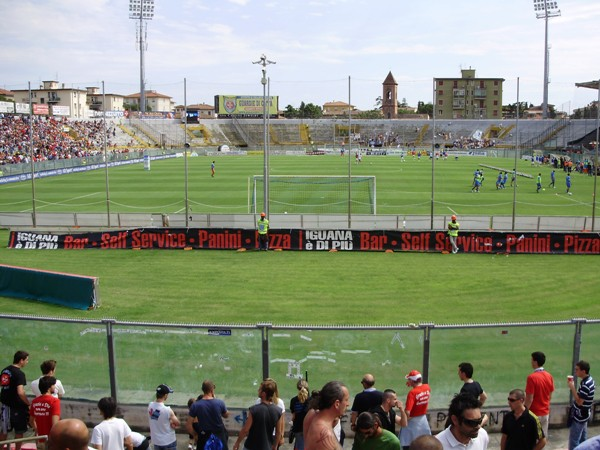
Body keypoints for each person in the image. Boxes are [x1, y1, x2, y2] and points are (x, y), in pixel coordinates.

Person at [232, 379, 284, 450]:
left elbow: (245, 430)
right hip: (267, 446)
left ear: (264, 394)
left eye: (260, 389)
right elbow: (278, 432)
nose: (258, 391)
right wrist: (274, 446)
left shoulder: (254, 410)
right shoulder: (278, 411)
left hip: (251, 446)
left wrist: (237, 443)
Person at [304, 381, 349, 450]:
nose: (348, 404)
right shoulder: (325, 436)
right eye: (346, 400)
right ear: (337, 404)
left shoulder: (312, 414)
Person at [0, 350, 30, 450]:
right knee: (19, 432)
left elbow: (3, 384)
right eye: (26, 360)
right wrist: (28, 403)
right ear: (21, 360)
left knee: (4, 431)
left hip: (4, 406)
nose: (27, 362)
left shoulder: (5, 370)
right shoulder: (19, 374)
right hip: (16, 408)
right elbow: (20, 392)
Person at [187, 380, 229, 450]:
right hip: (219, 436)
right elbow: (226, 415)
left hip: (203, 436)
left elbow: (188, 425)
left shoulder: (195, 405)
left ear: (202, 390)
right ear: (212, 390)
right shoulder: (219, 402)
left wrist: (195, 435)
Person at [525, 351, 554, 440]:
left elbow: (529, 398)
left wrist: (524, 412)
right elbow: (550, 394)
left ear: (535, 362)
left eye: (532, 360)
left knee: (531, 440)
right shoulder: (549, 376)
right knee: (542, 440)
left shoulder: (532, 378)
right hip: (545, 413)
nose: (531, 362)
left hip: (534, 414)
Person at [399, 370, 431, 450]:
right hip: (423, 420)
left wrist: (404, 417)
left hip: (412, 422)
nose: (408, 381)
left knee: (407, 443)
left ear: (412, 380)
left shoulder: (412, 393)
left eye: (409, 379)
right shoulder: (427, 387)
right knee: (425, 443)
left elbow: (408, 411)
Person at [568, 360, 595, 450]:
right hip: (585, 414)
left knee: (574, 441)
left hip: (580, 416)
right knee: (583, 439)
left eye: (577, 370)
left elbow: (580, 401)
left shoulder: (585, 385)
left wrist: (572, 388)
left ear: (583, 371)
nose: (575, 371)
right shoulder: (589, 380)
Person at [29, 375, 61, 450]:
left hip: (40, 439)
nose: (54, 387)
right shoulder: (54, 401)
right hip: (51, 441)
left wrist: (37, 430)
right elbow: (55, 425)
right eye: (53, 385)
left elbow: (31, 421)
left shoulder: (35, 401)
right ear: (49, 387)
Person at [148, 384, 180, 450]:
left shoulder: (150, 406)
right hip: (168, 441)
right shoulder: (167, 410)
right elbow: (177, 423)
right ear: (165, 395)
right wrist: (171, 422)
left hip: (157, 442)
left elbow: (157, 416)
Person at [289, 379, 310, 450]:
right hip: (308, 428)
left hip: (297, 427)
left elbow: (293, 416)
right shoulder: (311, 400)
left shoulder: (293, 400)